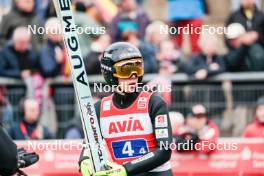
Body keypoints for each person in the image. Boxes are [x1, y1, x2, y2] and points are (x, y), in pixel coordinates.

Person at [79, 42, 173, 176]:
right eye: (126, 70)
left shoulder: (153, 103)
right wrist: (84, 161)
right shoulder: (99, 109)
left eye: (137, 68)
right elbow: (89, 146)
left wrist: (125, 169)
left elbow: (164, 151)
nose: (133, 76)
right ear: (111, 73)